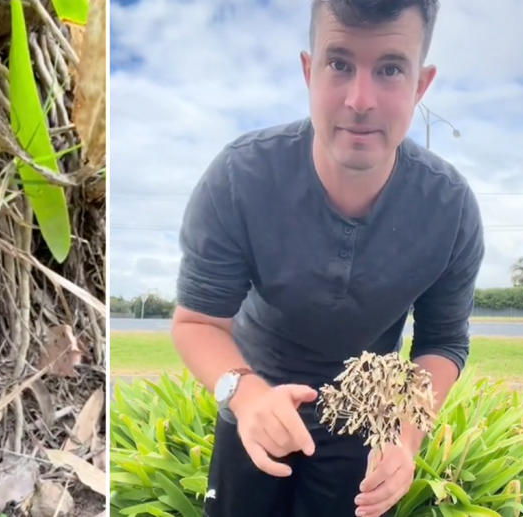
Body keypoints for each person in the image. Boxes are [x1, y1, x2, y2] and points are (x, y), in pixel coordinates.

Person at [171, 1, 484, 516]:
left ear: (421, 85)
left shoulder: (449, 208)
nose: (360, 100)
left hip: (365, 428)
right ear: (307, 70)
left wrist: (405, 438)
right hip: (255, 407)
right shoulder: (239, 178)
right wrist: (246, 398)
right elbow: (198, 322)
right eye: (339, 63)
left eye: (389, 69)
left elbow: (443, 342)